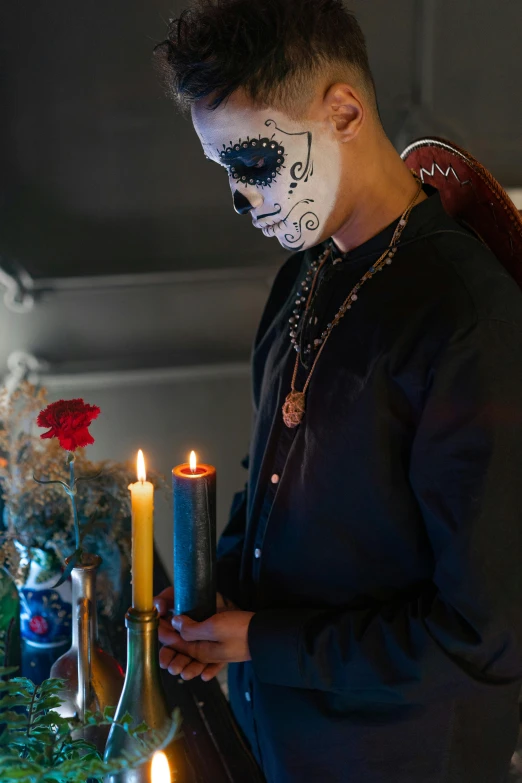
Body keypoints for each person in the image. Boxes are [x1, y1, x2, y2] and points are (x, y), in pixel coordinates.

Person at [152, 2, 522, 781]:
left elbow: (483, 635)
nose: (240, 198)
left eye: (251, 162)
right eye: (224, 171)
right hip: (276, 736)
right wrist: (211, 600)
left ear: (344, 110)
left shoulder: (465, 315)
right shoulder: (303, 274)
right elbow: (280, 502)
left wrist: (259, 638)